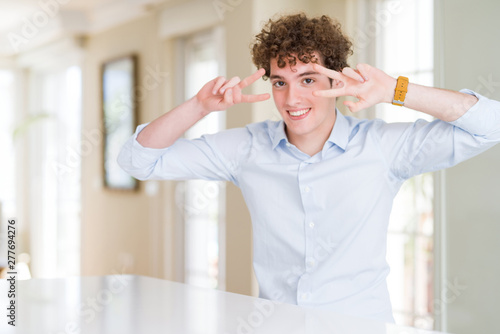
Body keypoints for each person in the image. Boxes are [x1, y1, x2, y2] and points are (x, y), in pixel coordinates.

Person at [118, 14, 500, 322]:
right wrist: (198, 107)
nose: (292, 98)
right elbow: (138, 161)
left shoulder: (381, 147)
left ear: (337, 79)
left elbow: (491, 125)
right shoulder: (247, 148)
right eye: (280, 82)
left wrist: (393, 90)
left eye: (308, 79)